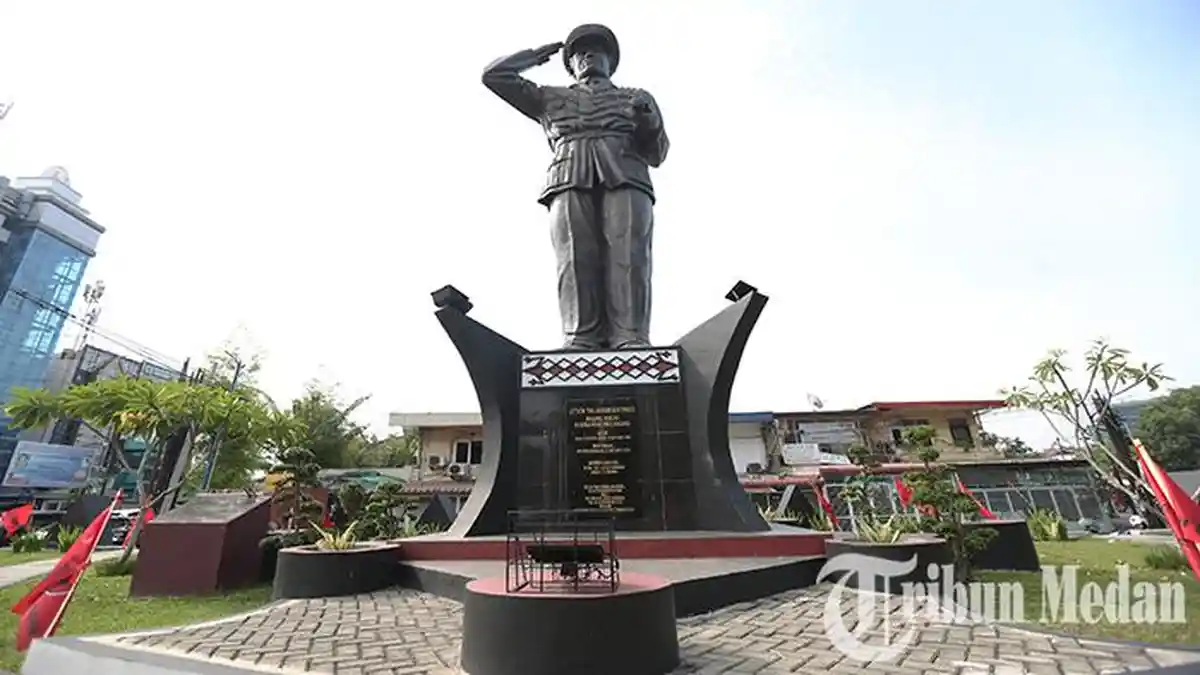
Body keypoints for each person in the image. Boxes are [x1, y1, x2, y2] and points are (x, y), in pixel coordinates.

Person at [482, 24, 670, 350]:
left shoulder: (635, 97)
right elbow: (494, 76)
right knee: (574, 257)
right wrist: (533, 57)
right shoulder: (549, 97)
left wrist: (648, 119)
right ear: (570, 63)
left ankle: (631, 336)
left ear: (611, 61)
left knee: (629, 255)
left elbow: (657, 153)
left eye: (596, 51)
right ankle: (580, 337)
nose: (588, 56)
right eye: (579, 53)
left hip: (626, 172)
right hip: (569, 173)